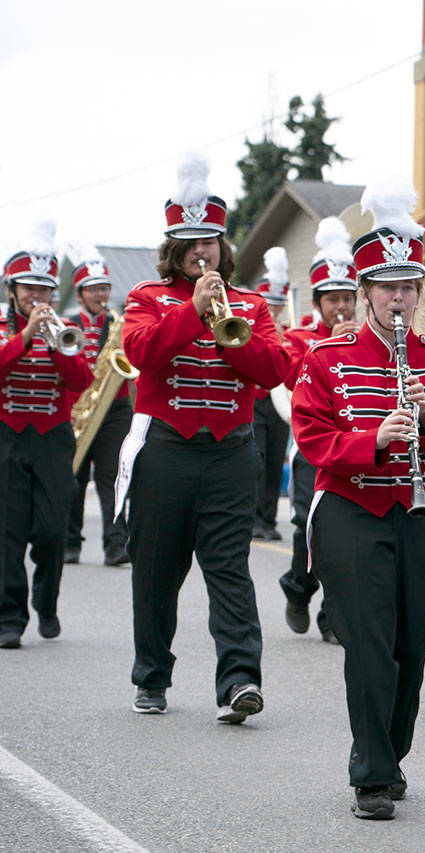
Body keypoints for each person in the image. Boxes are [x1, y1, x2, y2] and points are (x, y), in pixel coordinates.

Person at [293, 179, 425, 820]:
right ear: (366, 291)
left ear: (417, 291)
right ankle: (371, 771)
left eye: (408, 286)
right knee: (369, 639)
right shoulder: (326, 359)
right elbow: (313, 437)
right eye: (385, 286)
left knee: (413, 642)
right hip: (352, 508)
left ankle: (391, 753)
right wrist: (373, 439)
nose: (398, 298)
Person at [117, 152, 291, 719]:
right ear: (173, 248)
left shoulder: (250, 305)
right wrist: (192, 312)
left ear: (223, 245)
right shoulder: (147, 297)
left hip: (231, 453)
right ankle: (152, 676)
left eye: (209, 241)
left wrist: (226, 330)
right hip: (165, 450)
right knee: (157, 570)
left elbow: (273, 371)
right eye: (190, 243)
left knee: (229, 570)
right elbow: (140, 353)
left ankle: (239, 680)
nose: (201, 251)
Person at [0, 222, 94, 649]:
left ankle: (47, 601)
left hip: (54, 438)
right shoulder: (3, 327)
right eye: (28, 288)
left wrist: (56, 345)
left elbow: (82, 382)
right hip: (8, 437)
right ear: (12, 287)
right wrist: (24, 337)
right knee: (9, 531)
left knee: (53, 529)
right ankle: (10, 617)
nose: (36, 298)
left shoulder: (66, 330)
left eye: (43, 289)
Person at [278, 217, 359, 641]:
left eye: (348, 298)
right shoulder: (299, 336)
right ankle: (297, 587)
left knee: (342, 534)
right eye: (334, 300)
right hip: (310, 447)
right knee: (308, 528)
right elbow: (292, 380)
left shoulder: (366, 336)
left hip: (355, 444)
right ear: (319, 301)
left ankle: (331, 615)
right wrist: (329, 346)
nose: (342, 308)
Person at [64, 250, 132, 566]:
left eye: (104, 288)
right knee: (73, 475)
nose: (100, 295)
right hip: (77, 407)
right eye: (93, 289)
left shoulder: (119, 322)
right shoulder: (68, 324)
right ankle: (69, 542)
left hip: (114, 409)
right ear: (80, 294)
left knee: (111, 477)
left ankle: (116, 544)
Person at [251, 246, 292, 541]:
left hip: (282, 401)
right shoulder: (252, 328)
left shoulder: (291, 331)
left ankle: (268, 519)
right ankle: (253, 518)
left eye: (279, 304)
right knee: (258, 459)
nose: (275, 310)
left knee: (276, 459)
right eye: (270, 304)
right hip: (256, 399)